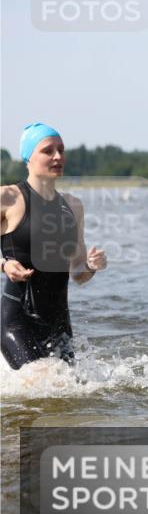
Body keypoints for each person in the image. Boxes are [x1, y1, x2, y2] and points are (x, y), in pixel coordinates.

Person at [1, 123, 107, 370]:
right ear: (28, 157)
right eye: (48, 150)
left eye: (61, 149)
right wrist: (4, 265)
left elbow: (78, 274)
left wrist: (91, 266)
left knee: (68, 395)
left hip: (59, 325)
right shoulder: (8, 198)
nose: (58, 156)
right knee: (46, 382)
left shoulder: (73, 206)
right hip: (17, 321)